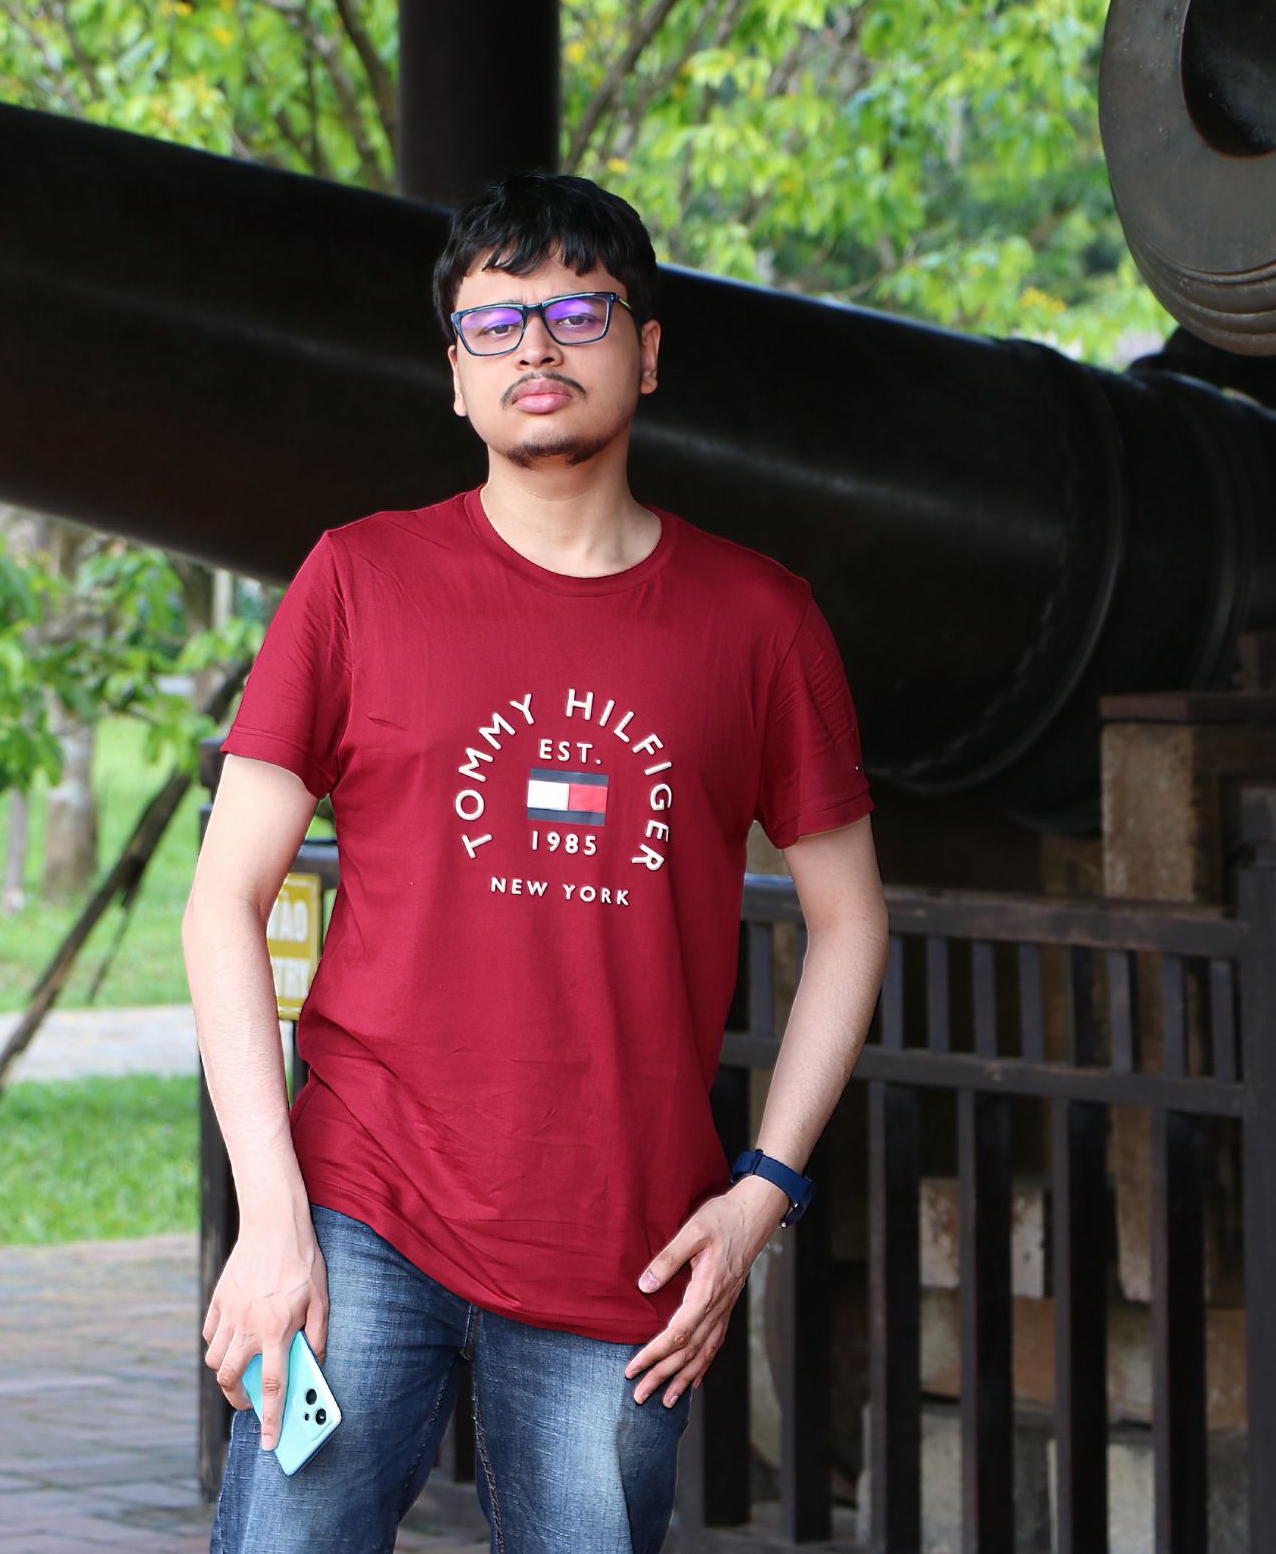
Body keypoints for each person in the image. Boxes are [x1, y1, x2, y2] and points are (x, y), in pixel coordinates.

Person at [185, 172, 889, 1554]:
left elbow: (850, 921)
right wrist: (272, 1218)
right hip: (359, 1206)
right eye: (494, 325)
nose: (538, 350)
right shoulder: (356, 579)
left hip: (620, 1239)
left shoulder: (761, 620)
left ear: (648, 347)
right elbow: (224, 900)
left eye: (579, 311)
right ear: (453, 377)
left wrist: (763, 1194)